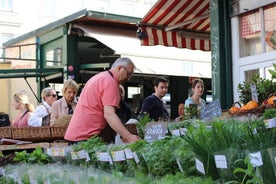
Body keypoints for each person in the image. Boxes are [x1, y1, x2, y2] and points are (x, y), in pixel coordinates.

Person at [64, 57, 140, 144]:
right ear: (119, 68)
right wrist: (128, 136)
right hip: (87, 137)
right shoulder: (110, 82)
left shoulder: (100, 77)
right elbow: (109, 114)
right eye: (129, 74)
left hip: (77, 134)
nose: (129, 78)